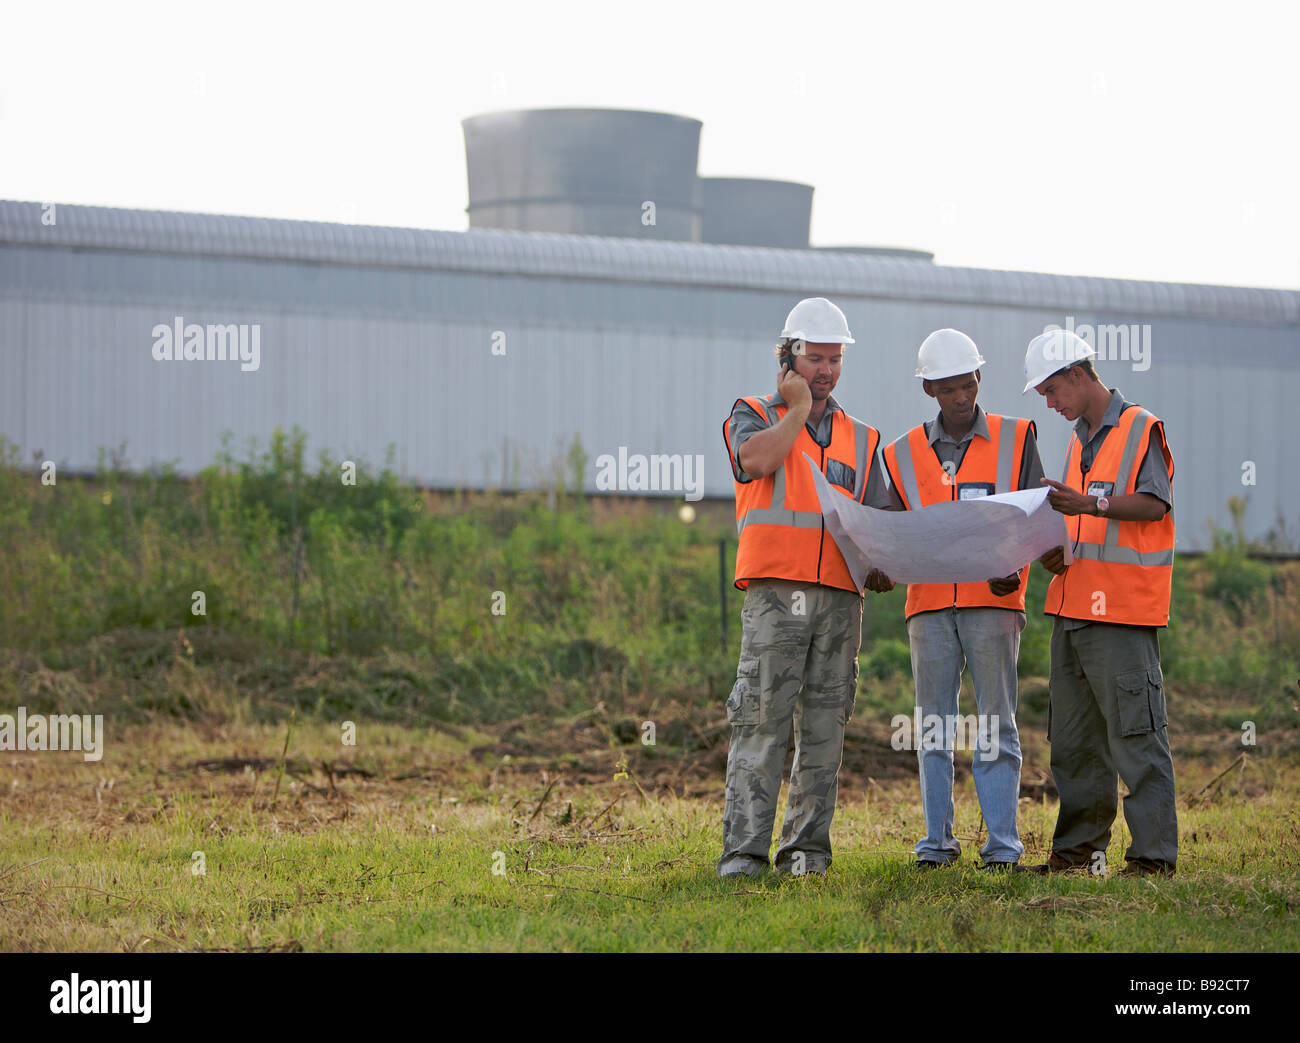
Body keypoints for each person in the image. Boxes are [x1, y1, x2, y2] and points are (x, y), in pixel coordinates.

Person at [718, 297, 894, 878]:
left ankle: (806, 853)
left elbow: (881, 520)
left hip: (841, 600)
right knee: (761, 723)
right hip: (774, 597)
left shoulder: (863, 439)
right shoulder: (751, 413)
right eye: (814, 359)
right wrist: (792, 411)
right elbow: (758, 462)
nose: (825, 371)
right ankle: (744, 855)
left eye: (834, 360)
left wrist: (885, 562)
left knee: (824, 729)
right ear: (789, 359)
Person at [879, 329, 1044, 871]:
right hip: (928, 607)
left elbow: (1036, 519)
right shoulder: (900, 453)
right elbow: (888, 530)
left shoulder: (1017, 437)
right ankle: (936, 845)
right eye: (947, 387)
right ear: (929, 388)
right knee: (933, 727)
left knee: (996, 724)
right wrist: (882, 565)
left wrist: (1014, 569)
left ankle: (1002, 848)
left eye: (967, 383)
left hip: (994, 606)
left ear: (980, 377)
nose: (960, 396)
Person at [1023, 329, 1178, 877]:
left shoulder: (1141, 428)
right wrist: (1055, 550)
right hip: (1072, 608)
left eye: (1051, 390)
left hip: (1121, 611)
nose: (1049, 402)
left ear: (1079, 375)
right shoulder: (1075, 440)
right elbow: (1081, 523)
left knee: (1136, 736)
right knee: (1074, 740)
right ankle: (1077, 853)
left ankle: (1154, 857)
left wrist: (1088, 503)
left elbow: (1154, 504)